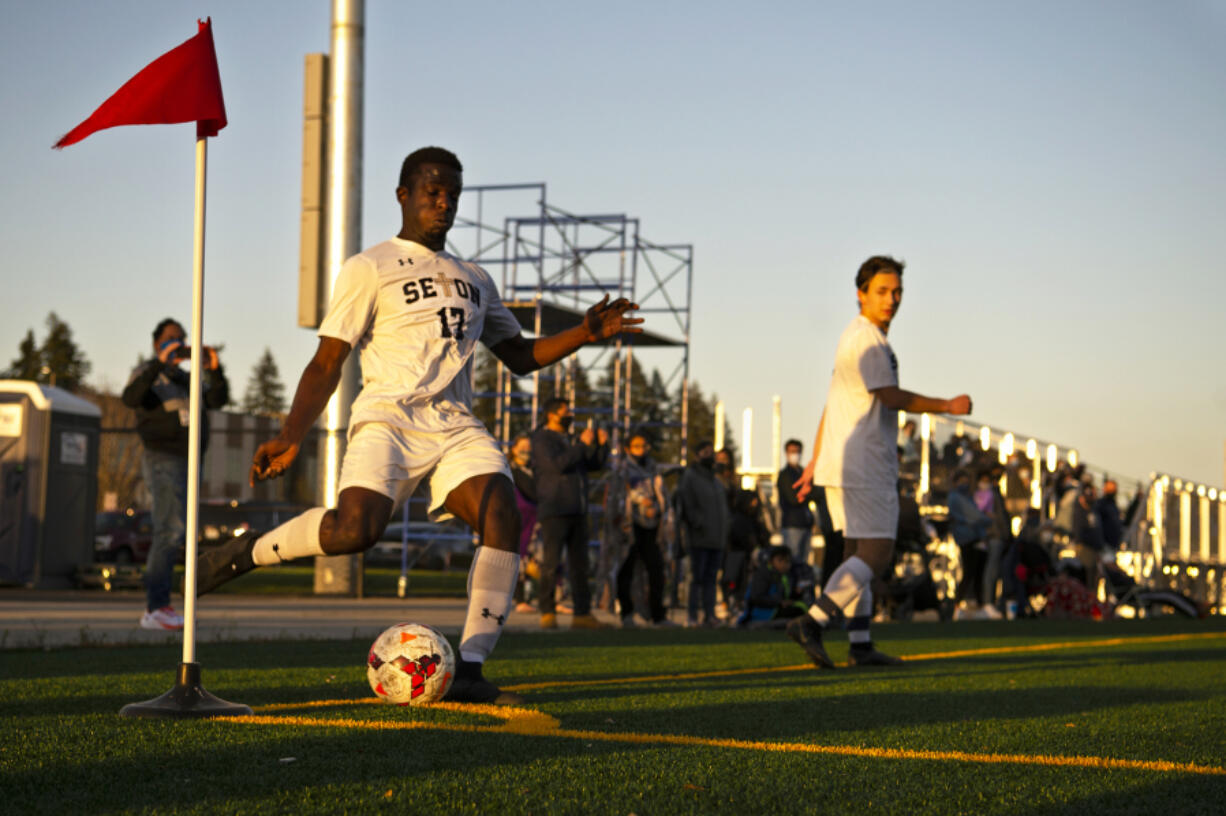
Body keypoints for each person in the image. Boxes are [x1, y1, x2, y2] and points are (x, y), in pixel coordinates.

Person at [196, 146, 642, 704]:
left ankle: (472, 670)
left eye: (452, 193)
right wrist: (291, 434)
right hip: (388, 418)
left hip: (454, 426)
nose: (444, 201)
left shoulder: (474, 277)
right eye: (432, 190)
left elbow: (520, 356)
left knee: (502, 513)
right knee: (355, 531)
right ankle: (243, 553)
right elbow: (328, 361)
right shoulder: (370, 266)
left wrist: (582, 333)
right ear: (403, 195)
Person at [791, 255, 973, 668]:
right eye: (881, 291)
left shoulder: (855, 336)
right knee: (875, 553)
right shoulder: (868, 339)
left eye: (897, 292)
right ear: (861, 295)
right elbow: (889, 396)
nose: (891, 299)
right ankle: (813, 622)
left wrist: (814, 461)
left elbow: (831, 403)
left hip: (841, 463)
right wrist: (947, 404)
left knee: (856, 552)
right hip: (863, 463)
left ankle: (860, 644)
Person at [121, 318, 229, 631]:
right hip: (163, 456)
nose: (178, 344)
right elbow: (130, 398)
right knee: (169, 529)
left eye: (181, 339)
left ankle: (162, 606)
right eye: (171, 339)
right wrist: (159, 363)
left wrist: (214, 369)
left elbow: (217, 400)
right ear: (157, 343)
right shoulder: (147, 372)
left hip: (190, 458)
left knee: (179, 531)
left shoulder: (185, 379)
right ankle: (156, 608)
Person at [531, 398, 609, 629]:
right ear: (552, 415)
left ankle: (582, 614)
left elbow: (590, 465)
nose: (570, 415)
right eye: (566, 411)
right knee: (551, 563)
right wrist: (581, 445)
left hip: (577, 508)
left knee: (580, 565)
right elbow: (558, 465)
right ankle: (547, 611)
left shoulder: (572, 439)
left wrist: (601, 447)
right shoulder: (542, 439)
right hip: (555, 509)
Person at [613, 431, 671, 627]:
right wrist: (640, 502)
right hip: (630, 528)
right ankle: (626, 613)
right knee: (626, 570)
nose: (641, 450)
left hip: (652, 527)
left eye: (644, 446)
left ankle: (658, 614)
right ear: (628, 449)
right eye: (637, 446)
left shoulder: (653, 468)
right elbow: (621, 493)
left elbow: (661, 492)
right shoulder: (623, 469)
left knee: (656, 570)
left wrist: (657, 507)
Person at [676, 440, 729, 626]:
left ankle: (709, 615)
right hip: (699, 538)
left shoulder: (715, 480)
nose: (710, 456)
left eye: (711, 452)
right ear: (697, 455)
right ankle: (692, 616)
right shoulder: (690, 477)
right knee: (696, 578)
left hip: (716, 538)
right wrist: (697, 524)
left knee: (710, 579)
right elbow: (687, 505)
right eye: (705, 452)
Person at [742, 546, 815, 626]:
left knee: (803, 607)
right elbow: (756, 597)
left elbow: (786, 595)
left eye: (787, 561)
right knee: (797, 611)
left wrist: (797, 593)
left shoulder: (786, 575)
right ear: (771, 561)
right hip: (765, 612)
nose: (784, 564)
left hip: (777, 608)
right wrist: (779, 603)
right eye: (780, 560)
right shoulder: (764, 574)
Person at [508, 434, 539, 612]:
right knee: (518, 561)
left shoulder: (535, 470)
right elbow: (533, 492)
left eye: (529, 448)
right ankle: (520, 599)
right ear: (514, 449)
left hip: (535, 522)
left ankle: (534, 597)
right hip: (518, 521)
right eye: (522, 447)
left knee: (535, 561)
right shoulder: (510, 470)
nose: (526, 451)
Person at [776, 439, 813, 563]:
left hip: (805, 524)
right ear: (786, 453)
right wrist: (807, 493)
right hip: (792, 525)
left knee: (803, 562)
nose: (795, 454)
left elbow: (815, 493)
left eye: (797, 451)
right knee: (791, 560)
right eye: (792, 451)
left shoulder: (803, 472)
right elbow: (793, 498)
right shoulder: (785, 475)